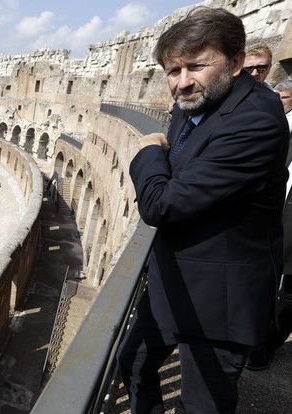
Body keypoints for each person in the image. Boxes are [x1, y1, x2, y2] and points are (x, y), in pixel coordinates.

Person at [118, 7, 288, 413]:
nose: (182, 82)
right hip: (172, 278)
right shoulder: (197, 100)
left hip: (219, 300)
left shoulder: (256, 121)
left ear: (234, 62)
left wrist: (147, 151)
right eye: (173, 71)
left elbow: (161, 203)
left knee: (203, 405)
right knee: (134, 363)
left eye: (196, 66)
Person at [246, 79, 292, 370]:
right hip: (275, 214)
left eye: (284, 97)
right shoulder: (278, 126)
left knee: (288, 292)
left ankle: (266, 346)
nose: (278, 100)